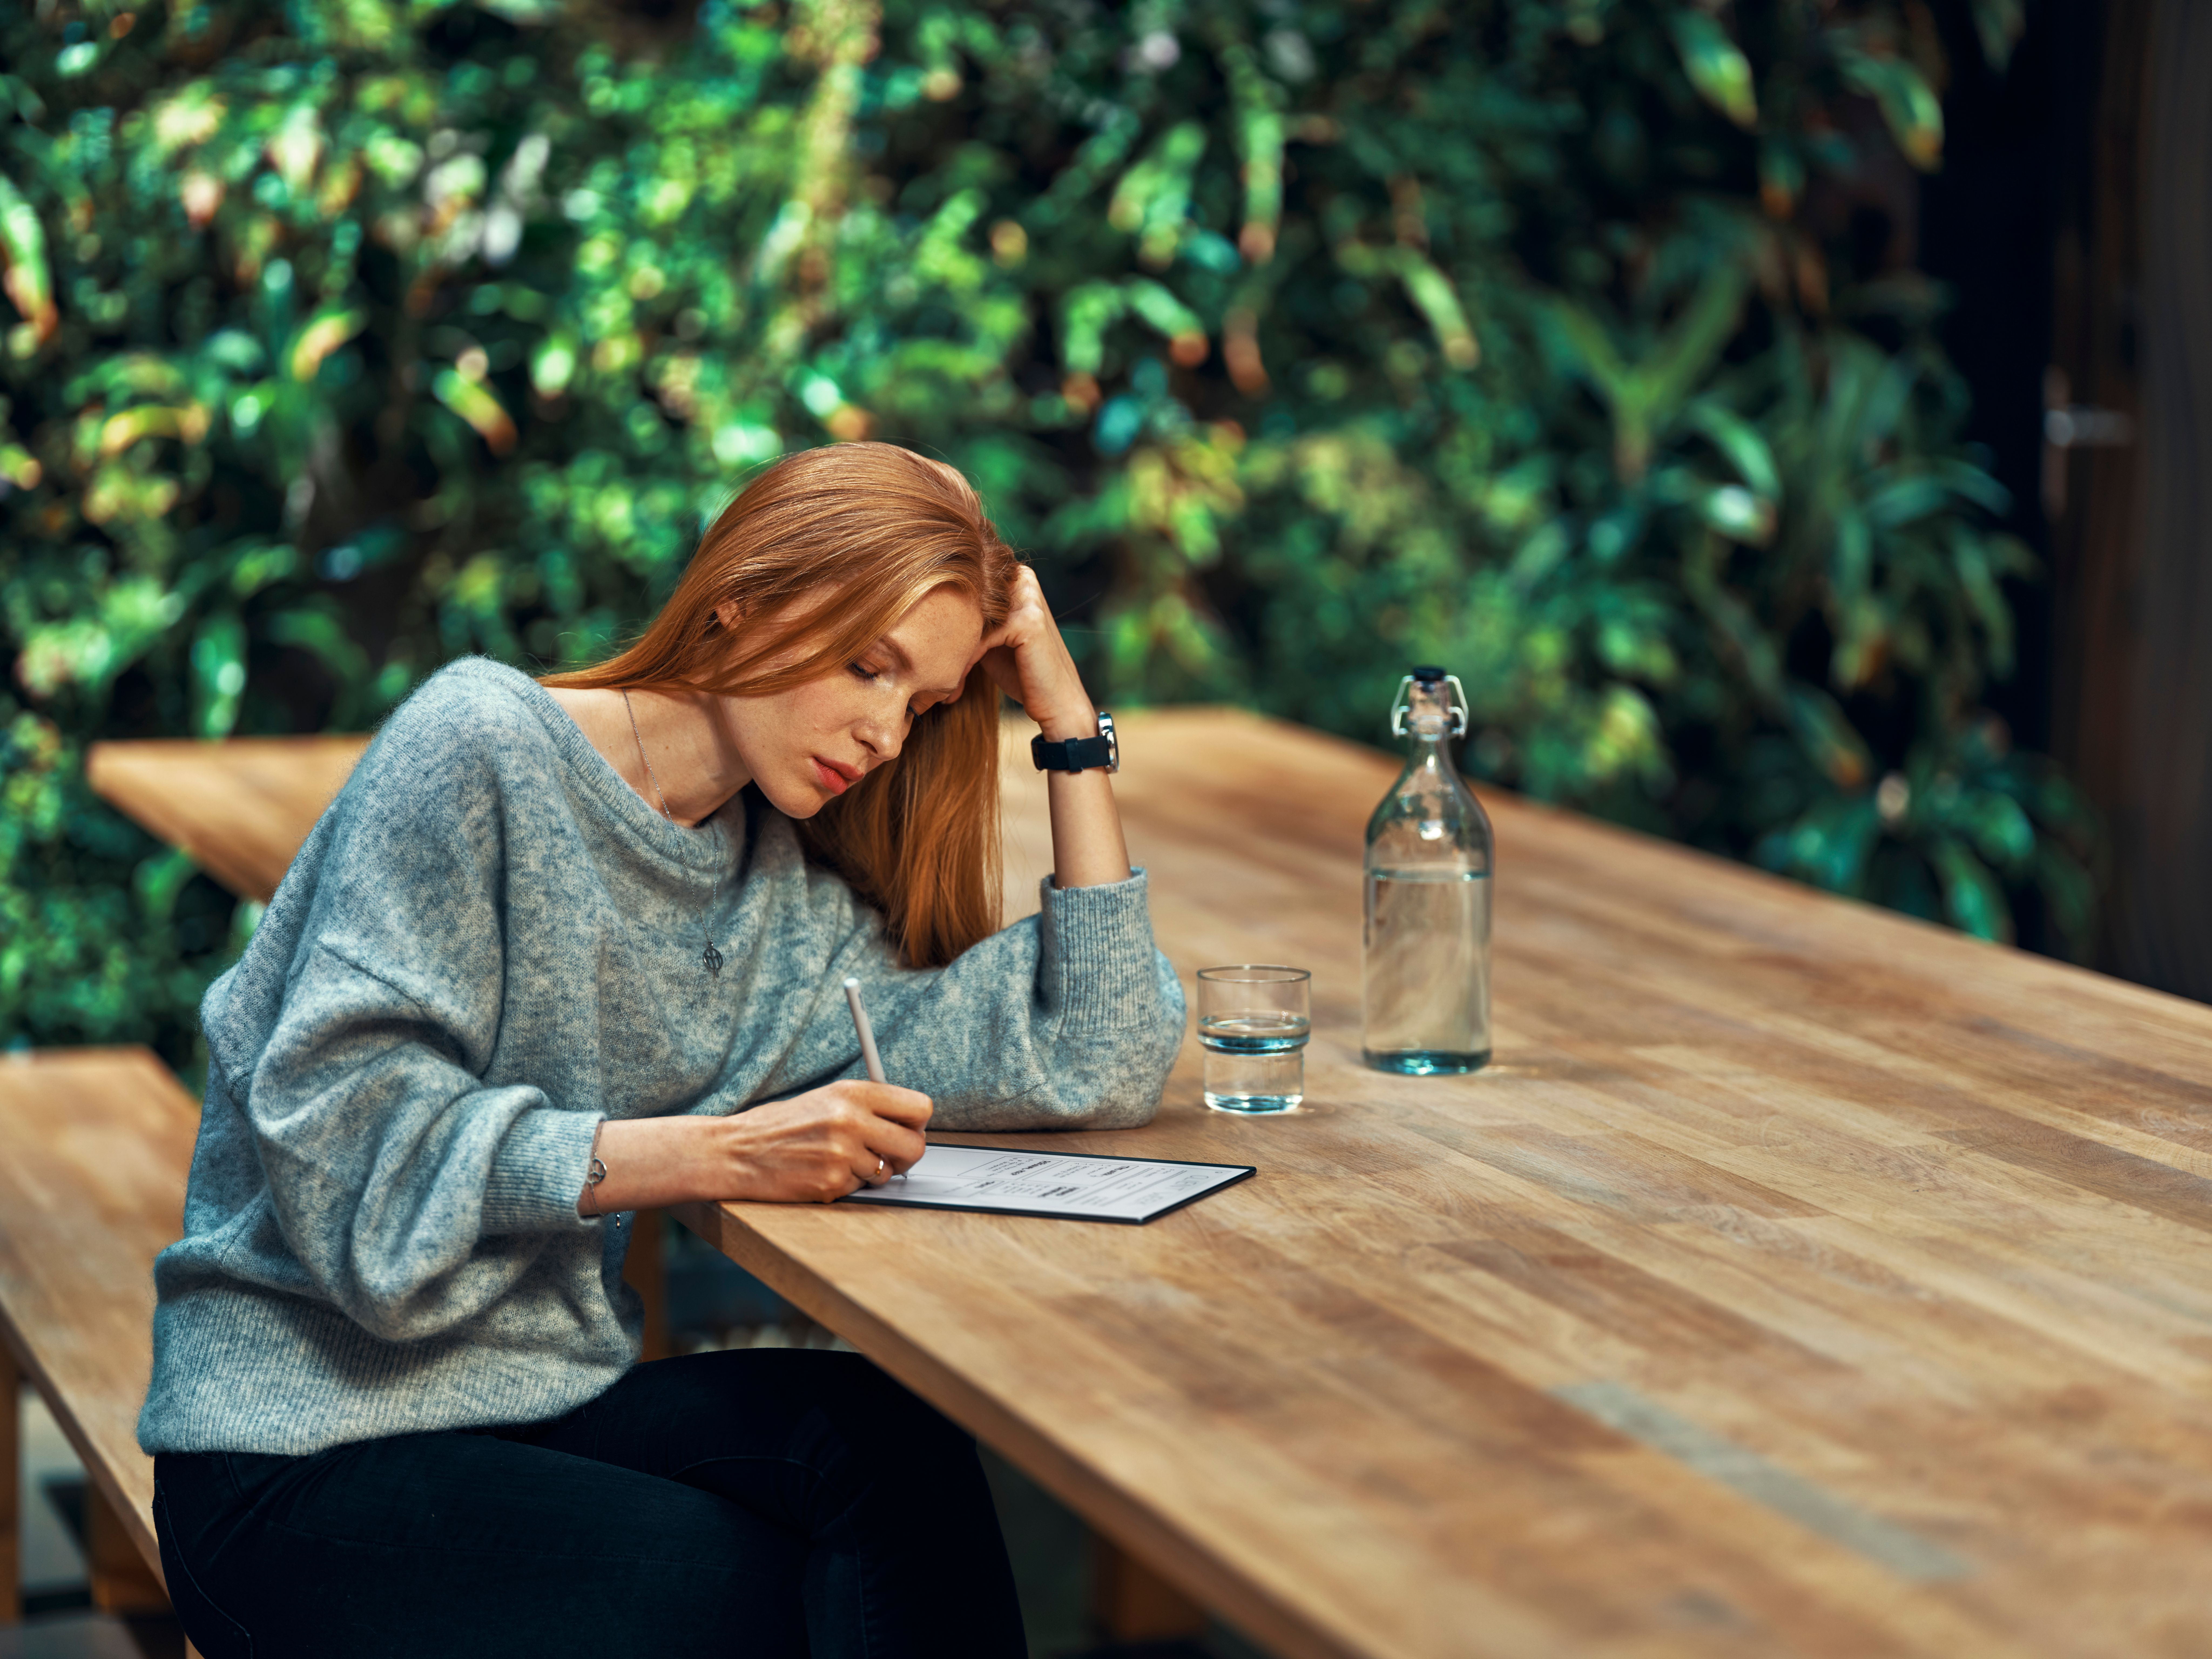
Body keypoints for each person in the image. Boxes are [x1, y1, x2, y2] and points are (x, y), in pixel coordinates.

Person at [137, 442, 1186, 1657]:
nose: (886, 732)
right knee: (729, 1590)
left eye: (924, 702)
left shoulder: (776, 909)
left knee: (888, 1449)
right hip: (293, 1451)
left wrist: (1066, 726)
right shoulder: (477, 746)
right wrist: (715, 1155)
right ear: (740, 596)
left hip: (533, 1402)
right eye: (867, 667)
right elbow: (354, 1173)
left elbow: (1093, 1051)